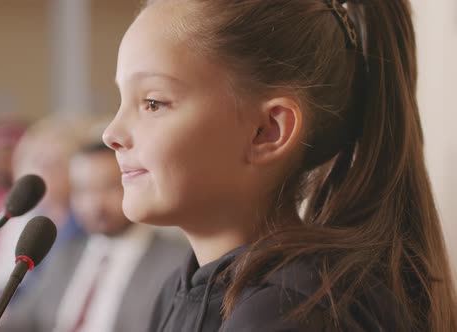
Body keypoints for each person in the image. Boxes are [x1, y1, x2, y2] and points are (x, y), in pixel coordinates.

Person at [101, 0, 457, 331]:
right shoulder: (179, 290)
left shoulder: (288, 313)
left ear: (268, 131)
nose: (110, 134)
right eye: (122, 100)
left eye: (152, 102)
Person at [0, 142, 189, 332]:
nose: (95, 204)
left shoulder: (177, 261)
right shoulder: (66, 253)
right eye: (83, 190)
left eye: (109, 187)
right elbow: (22, 319)